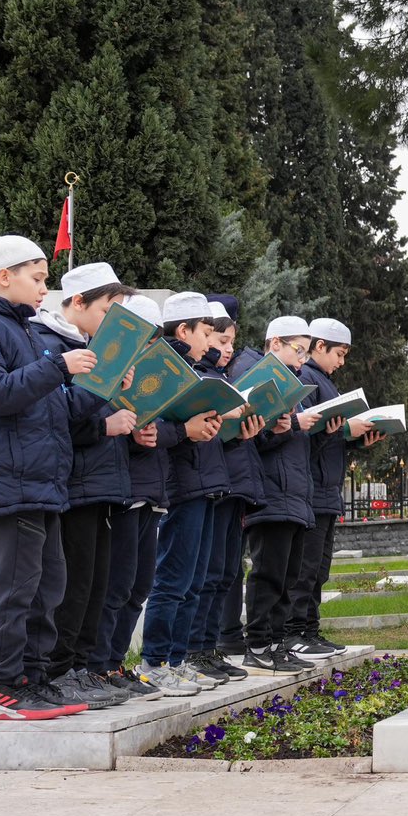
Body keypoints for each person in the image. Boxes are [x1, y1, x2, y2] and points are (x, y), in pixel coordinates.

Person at [0, 235, 87, 721]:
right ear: (4, 276)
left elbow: (57, 407)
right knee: (16, 588)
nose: (45, 287)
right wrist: (56, 366)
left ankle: (35, 680)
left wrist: (105, 390)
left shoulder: (22, 330)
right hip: (10, 481)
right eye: (38, 276)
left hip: (41, 481)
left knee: (48, 586)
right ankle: (5, 688)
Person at [29, 262, 139, 710]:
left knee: (96, 584)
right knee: (72, 586)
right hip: (75, 484)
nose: (115, 320)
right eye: (109, 308)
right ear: (77, 303)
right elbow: (55, 420)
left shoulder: (91, 348)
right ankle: (60, 671)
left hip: (104, 483)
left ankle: (84, 667)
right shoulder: (48, 346)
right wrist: (104, 425)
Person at [139, 292, 230, 694]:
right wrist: (187, 430)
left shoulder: (200, 369)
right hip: (180, 485)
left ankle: (178, 658)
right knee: (173, 579)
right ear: (183, 330)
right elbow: (152, 427)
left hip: (206, 481)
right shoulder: (165, 369)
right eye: (207, 332)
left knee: (193, 580)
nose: (212, 342)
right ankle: (155, 661)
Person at [98, 293, 181, 698]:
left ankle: (114, 663)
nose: (149, 347)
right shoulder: (109, 367)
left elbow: (163, 423)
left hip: (153, 488)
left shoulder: (155, 370)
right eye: (143, 338)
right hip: (124, 490)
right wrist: (130, 431)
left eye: (154, 338)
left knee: (138, 587)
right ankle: (100, 665)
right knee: (117, 585)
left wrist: (156, 432)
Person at [184, 298, 260, 685]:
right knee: (203, 572)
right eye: (220, 338)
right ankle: (195, 649)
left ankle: (208, 649)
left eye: (231, 341)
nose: (227, 347)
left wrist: (243, 430)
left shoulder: (222, 378)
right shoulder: (197, 376)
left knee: (224, 571)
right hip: (208, 486)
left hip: (228, 484)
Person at [241, 316, 322, 675]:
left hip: (295, 496)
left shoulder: (294, 388)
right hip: (271, 496)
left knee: (288, 577)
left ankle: (276, 643)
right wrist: (283, 428)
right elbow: (251, 439)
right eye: (298, 350)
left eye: (305, 352)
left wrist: (294, 426)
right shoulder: (257, 383)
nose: (302, 359)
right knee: (268, 574)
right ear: (275, 344)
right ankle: (257, 643)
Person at [291, 318, 370, 658]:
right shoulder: (308, 380)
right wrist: (339, 430)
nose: (341, 362)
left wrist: (356, 438)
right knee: (306, 568)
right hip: (312, 489)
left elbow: (327, 438)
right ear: (319, 347)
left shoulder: (325, 382)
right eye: (339, 353)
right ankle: (295, 631)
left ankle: (310, 629)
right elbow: (304, 438)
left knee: (319, 569)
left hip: (326, 490)